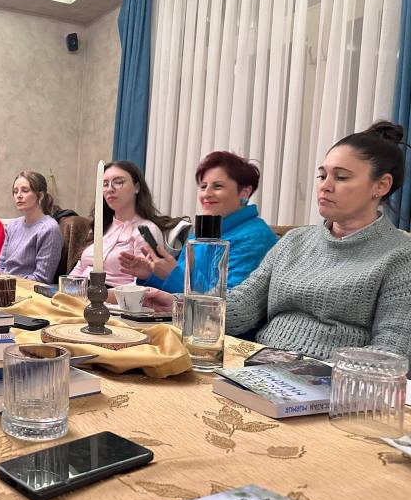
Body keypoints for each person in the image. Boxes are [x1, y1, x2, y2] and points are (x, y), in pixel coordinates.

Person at [145, 122, 411, 360]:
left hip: (330, 380)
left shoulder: (400, 255)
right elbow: (243, 307)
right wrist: (180, 305)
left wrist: (317, 376)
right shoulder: (295, 241)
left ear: (381, 185)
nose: (325, 186)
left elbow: (391, 352)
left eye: (341, 177)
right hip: (258, 363)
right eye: (322, 175)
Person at [121, 151, 277, 291]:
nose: (206, 194)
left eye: (218, 186)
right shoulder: (199, 234)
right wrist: (152, 274)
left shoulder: (256, 237)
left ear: (244, 192)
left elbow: (231, 303)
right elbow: (179, 287)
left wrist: (172, 274)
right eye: (203, 187)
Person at [69, 160, 179, 288]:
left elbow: (141, 286)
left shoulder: (146, 230)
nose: (109, 189)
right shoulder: (101, 226)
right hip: (80, 292)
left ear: (137, 187)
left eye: (118, 182)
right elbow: (80, 267)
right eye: (105, 184)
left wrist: (95, 294)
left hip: (113, 296)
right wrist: (65, 289)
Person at [0, 171, 63, 283]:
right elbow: (0, 263)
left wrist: (7, 283)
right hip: (3, 286)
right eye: (15, 191)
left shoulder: (49, 229)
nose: (18, 195)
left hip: (27, 289)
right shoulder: (13, 225)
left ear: (40, 195)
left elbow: (41, 278)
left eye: (25, 191)